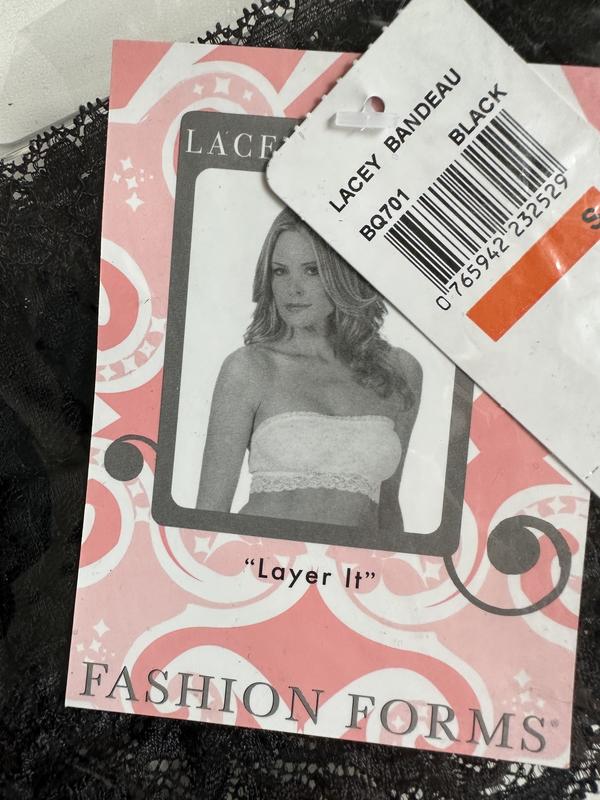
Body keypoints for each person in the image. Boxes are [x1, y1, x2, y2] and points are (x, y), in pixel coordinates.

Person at [196, 207, 422, 537]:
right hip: (261, 560)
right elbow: (208, 517)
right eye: (280, 271)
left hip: (350, 567)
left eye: (312, 271)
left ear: (345, 274)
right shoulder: (249, 368)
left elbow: (387, 507)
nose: (293, 288)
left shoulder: (399, 370)